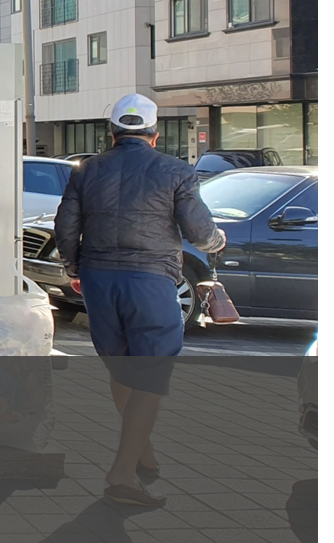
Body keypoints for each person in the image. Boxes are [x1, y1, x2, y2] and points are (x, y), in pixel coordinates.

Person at [54, 93, 226, 507]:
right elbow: (200, 231)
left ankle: (143, 453)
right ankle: (121, 473)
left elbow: (65, 226)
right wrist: (217, 240)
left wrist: (75, 269)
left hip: (98, 279)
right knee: (150, 374)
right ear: (154, 134)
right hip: (150, 278)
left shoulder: (87, 170)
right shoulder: (175, 170)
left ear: (111, 132)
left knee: (120, 365)